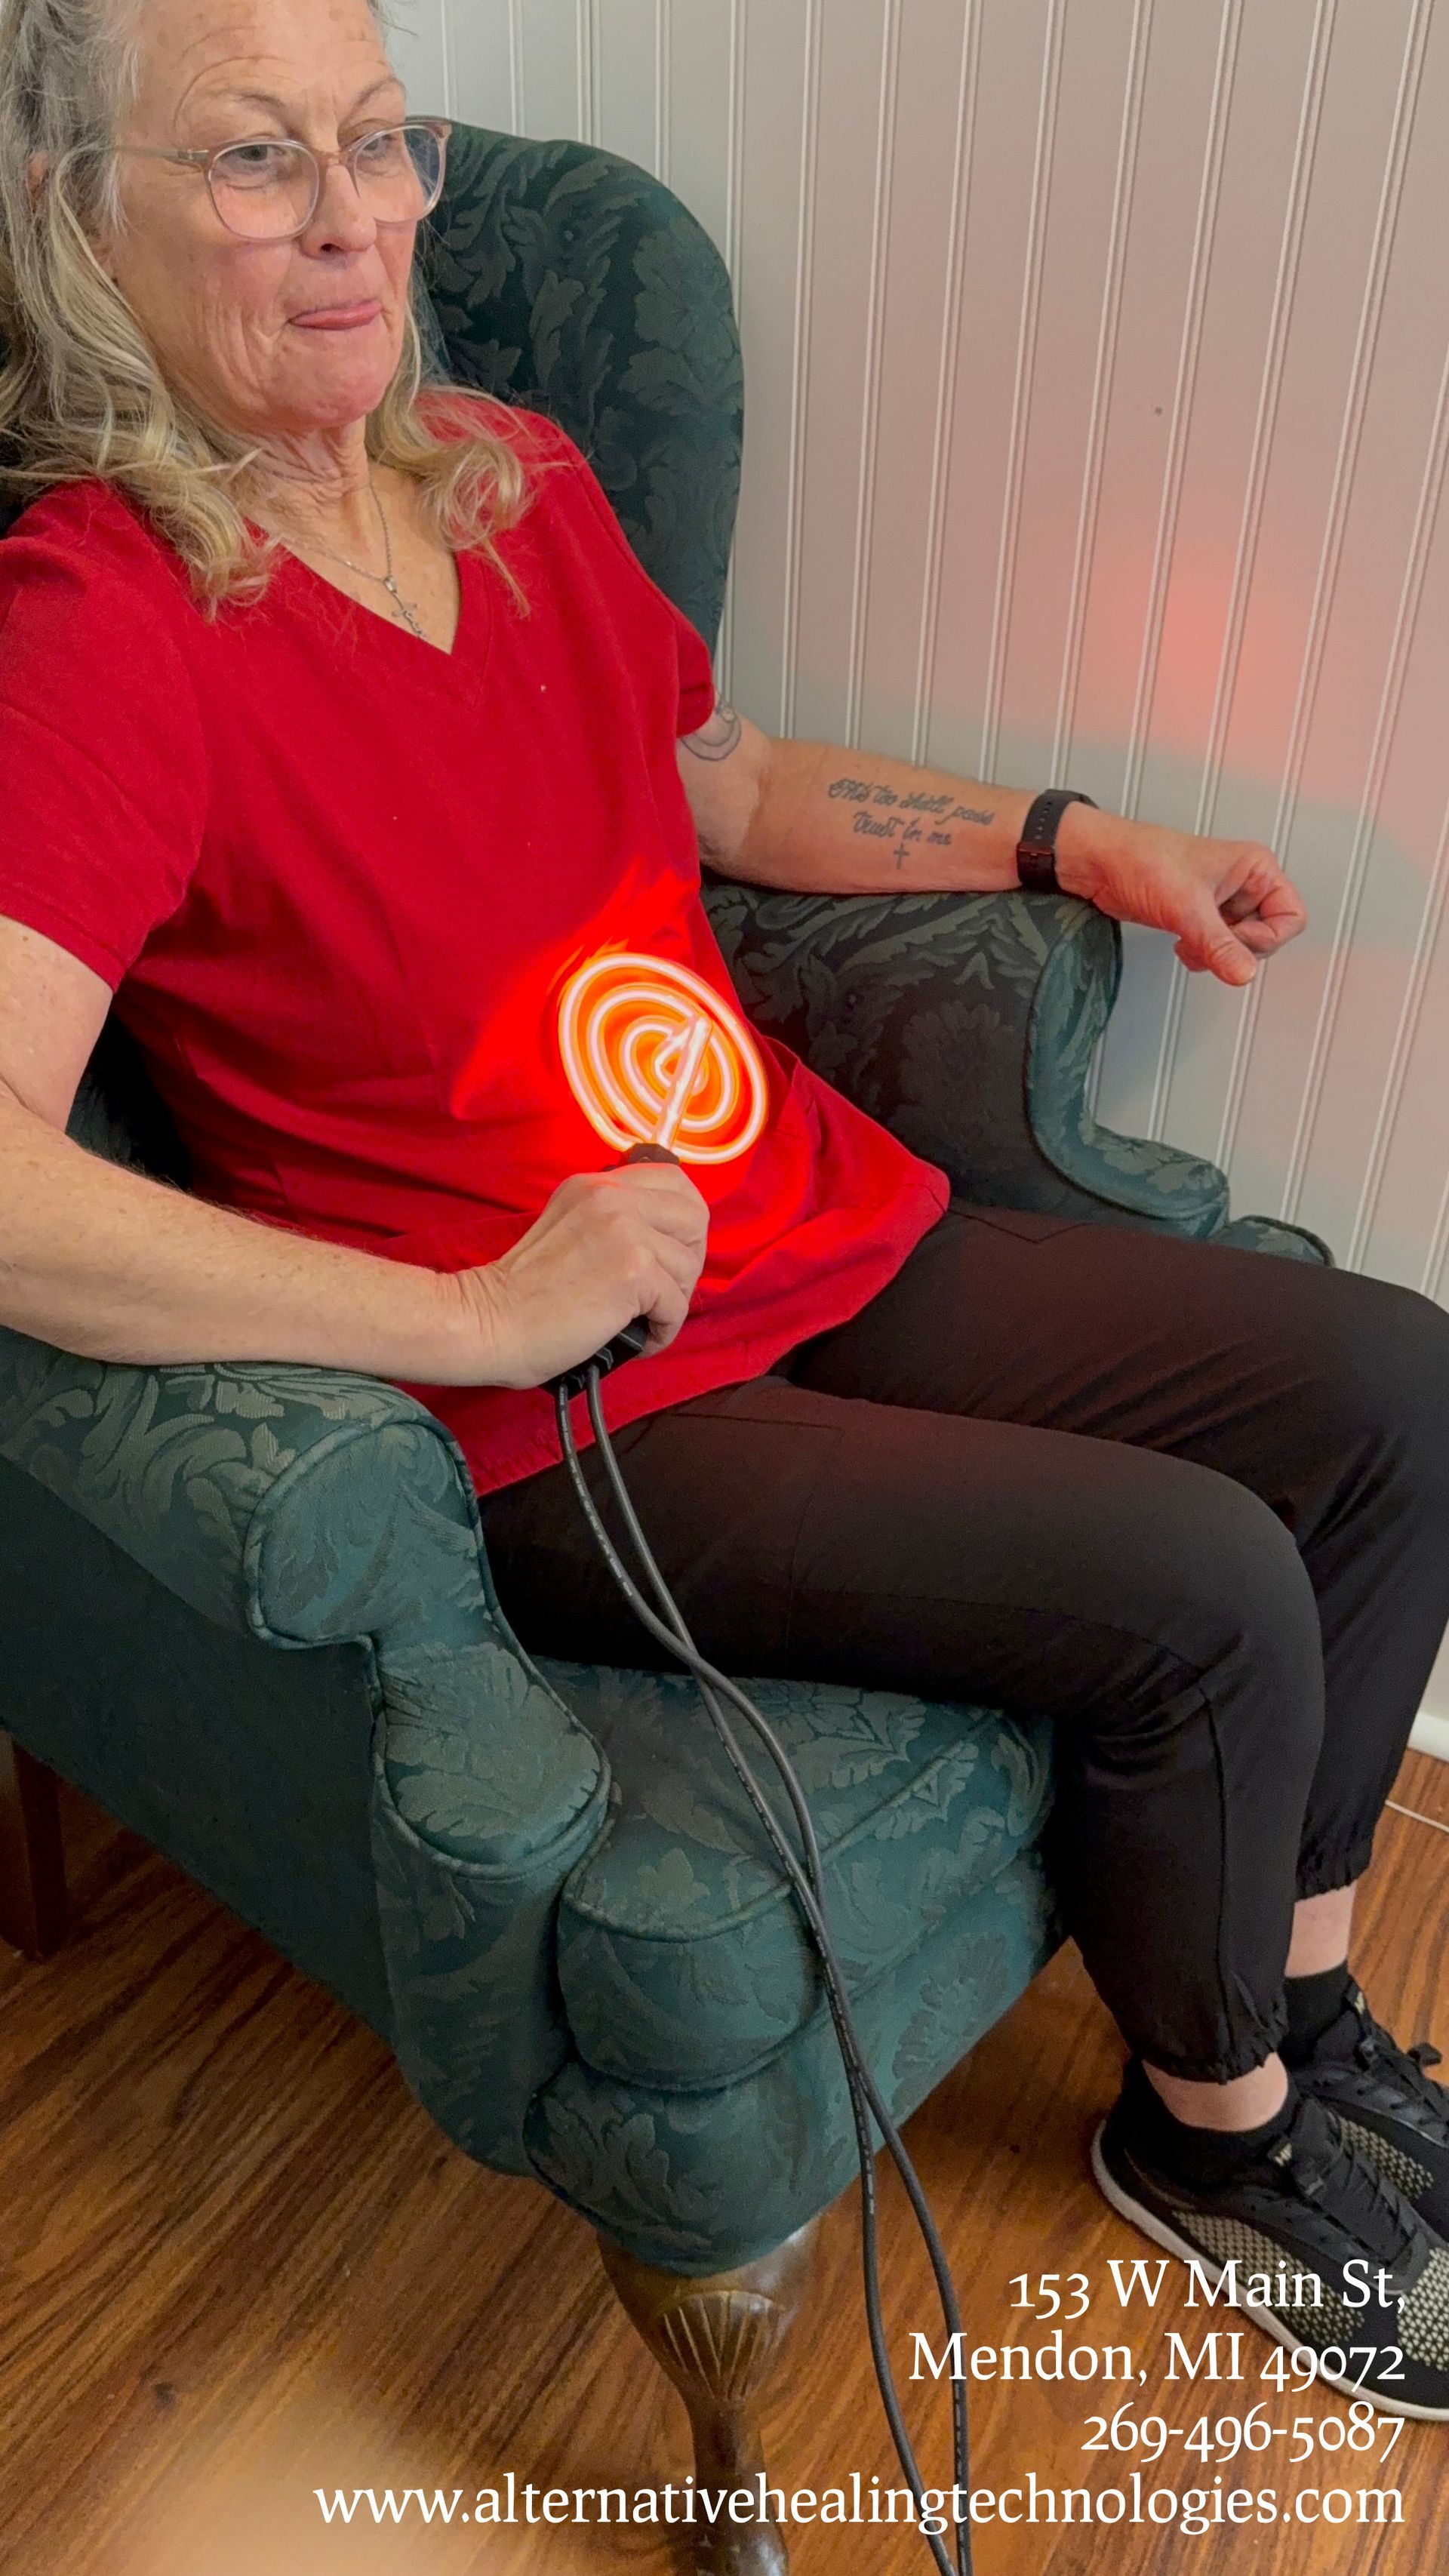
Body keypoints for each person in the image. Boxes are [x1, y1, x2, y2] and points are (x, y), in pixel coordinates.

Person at [3, 0, 1449, 2420]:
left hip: (801, 1220)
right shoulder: (102, 621)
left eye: (380, 142)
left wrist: (1078, 838)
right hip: (576, 1407)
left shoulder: (510, 476)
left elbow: (731, 778)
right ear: (82, 221)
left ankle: (1301, 2016)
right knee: (1200, 1584)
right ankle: (1220, 2141)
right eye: (256, 160)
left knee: (1398, 1384)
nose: (354, 222)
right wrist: (481, 1310)